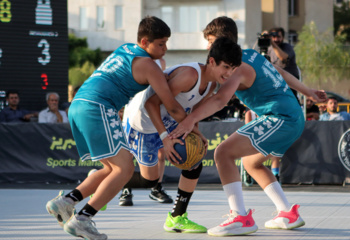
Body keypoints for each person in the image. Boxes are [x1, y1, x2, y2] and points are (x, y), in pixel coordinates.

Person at [169, 16, 327, 236]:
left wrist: (189, 120)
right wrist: (307, 91)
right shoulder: (252, 55)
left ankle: (240, 217)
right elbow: (281, 73)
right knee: (251, 163)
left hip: (280, 118)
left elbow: (219, 99)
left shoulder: (238, 67)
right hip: (288, 117)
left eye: (211, 41)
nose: (208, 47)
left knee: (223, 153)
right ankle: (287, 213)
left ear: (222, 41)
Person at [45, 16, 187, 240]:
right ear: (144, 41)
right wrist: (192, 125)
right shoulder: (149, 66)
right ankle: (82, 219)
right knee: (125, 169)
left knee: (111, 169)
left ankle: (66, 201)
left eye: (166, 43)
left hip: (78, 105)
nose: (165, 49)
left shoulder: (125, 48)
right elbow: (171, 105)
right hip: (98, 108)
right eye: (161, 44)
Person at [118, 37, 242, 233]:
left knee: (195, 160)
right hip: (143, 122)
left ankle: (176, 217)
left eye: (232, 69)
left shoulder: (211, 85)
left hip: (169, 120)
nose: (228, 74)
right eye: (225, 67)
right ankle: (105, 178)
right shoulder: (190, 75)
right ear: (211, 61)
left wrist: (196, 133)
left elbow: (191, 114)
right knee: (149, 180)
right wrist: (164, 138)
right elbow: (151, 104)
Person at [119, 57, 174, 206]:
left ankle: (156, 188)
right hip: (136, 110)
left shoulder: (161, 61)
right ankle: (126, 189)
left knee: (161, 152)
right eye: (160, 43)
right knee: (128, 152)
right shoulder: (137, 60)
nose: (162, 48)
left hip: (155, 112)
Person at [266, 27, 300, 100]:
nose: (276, 39)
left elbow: (283, 58)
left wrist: (272, 43)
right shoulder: (268, 49)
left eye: (278, 37)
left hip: (290, 84)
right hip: (275, 84)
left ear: (283, 37)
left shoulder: (287, 47)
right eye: (273, 37)